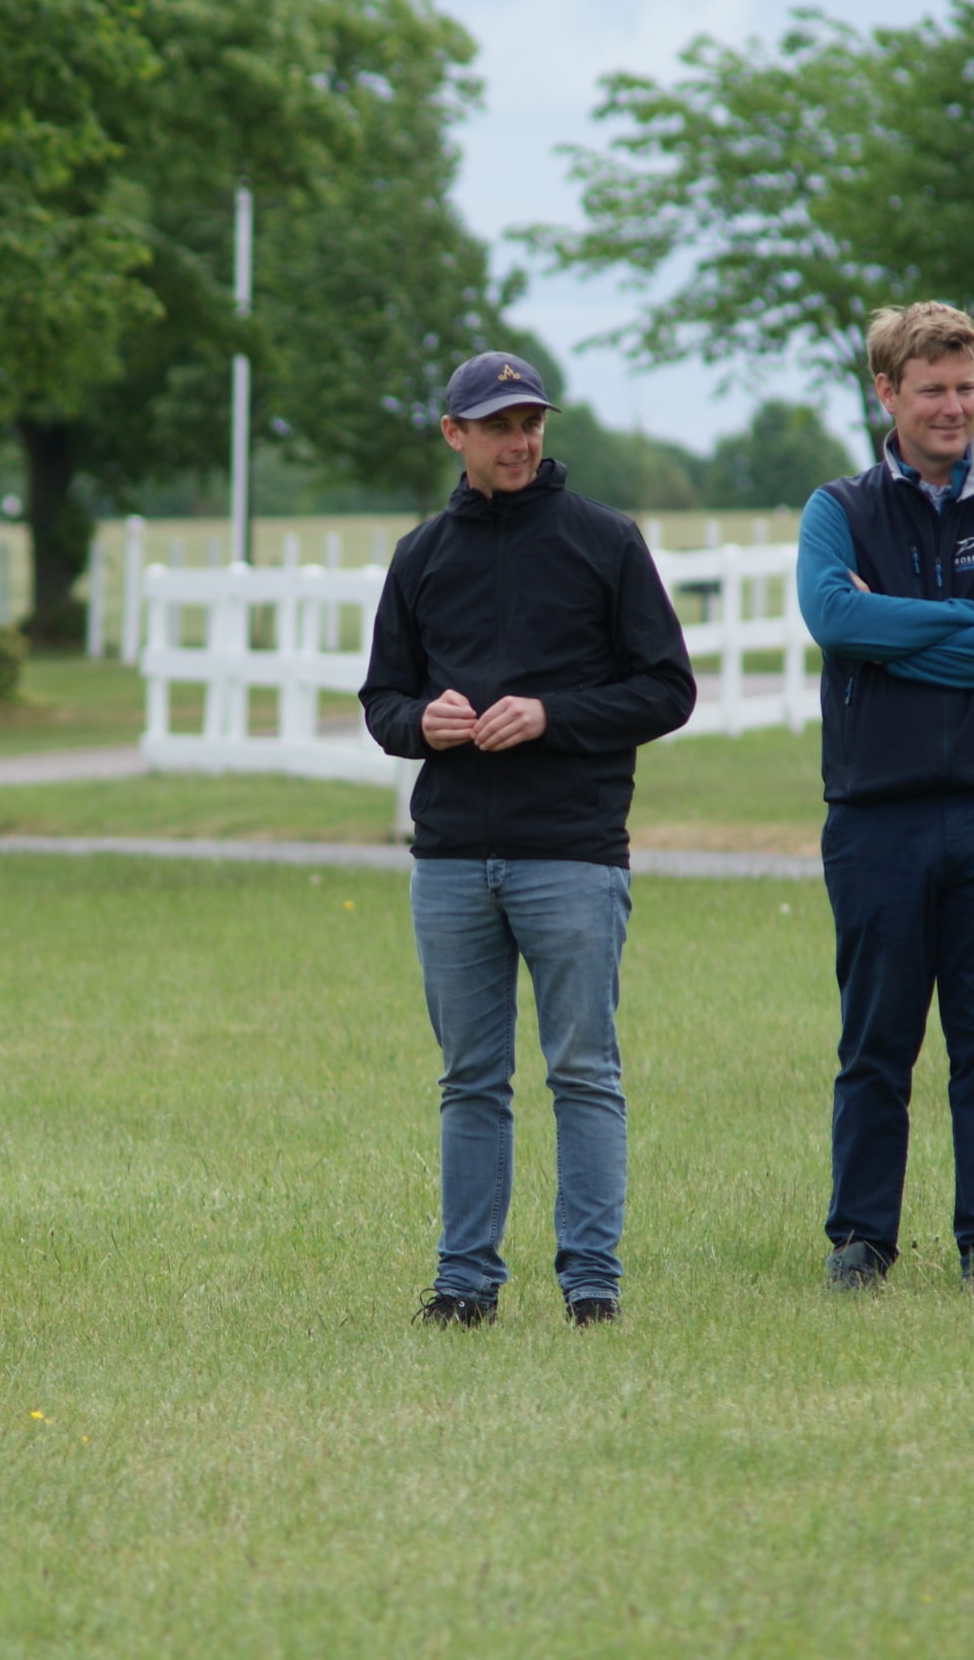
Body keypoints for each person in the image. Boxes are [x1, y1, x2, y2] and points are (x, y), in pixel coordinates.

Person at [360, 349, 696, 1328]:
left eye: (530, 421)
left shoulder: (603, 541)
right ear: (453, 434)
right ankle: (464, 1285)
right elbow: (382, 700)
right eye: (498, 424)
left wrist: (549, 714)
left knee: (584, 1070)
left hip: (573, 852)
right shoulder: (421, 555)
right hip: (452, 858)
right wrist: (420, 723)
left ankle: (591, 1286)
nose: (519, 440)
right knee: (469, 1076)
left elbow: (666, 689)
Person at [796, 303, 974, 1290]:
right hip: (876, 816)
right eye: (932, 390)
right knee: (876, 1039)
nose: (954, 407)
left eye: (965, 388)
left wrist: (894, 628)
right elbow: (833, 615)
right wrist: (964, 618)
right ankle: (859, 1240)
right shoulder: (839, 509)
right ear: (885, 393)